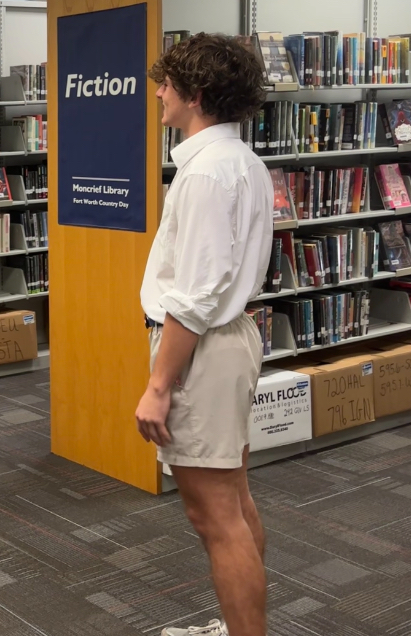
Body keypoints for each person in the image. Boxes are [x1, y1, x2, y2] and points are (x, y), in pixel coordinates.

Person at [134, 34, 273, 636]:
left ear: (195, 94)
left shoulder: (206, 174)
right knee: (234, 502)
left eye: (166, 83)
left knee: (213, 516)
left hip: (202, 353)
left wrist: (160, 384)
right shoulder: (242, 162)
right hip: (228, 340)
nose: (158, 93)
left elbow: (193, 298)